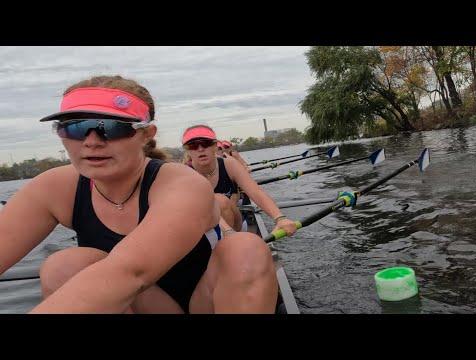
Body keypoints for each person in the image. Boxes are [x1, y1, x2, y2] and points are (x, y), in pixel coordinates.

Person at [0, 75, 278, 314]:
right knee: (63, 265)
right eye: (74, 126)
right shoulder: (52, 187)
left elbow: (130, 273)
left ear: (146, 135)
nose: (91, 141)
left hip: (205, 301)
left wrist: (280, 217)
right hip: (143, 304)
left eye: (111, 127)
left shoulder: (182, 183)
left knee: (246, 249)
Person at [182, 125, 298, 236]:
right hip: (207, 227)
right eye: (193, 145)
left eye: (205, 143)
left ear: (214, 146)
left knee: (221, 201)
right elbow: (206, 211)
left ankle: (233, 240)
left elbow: (255, 192)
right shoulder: (185, 174)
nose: (200, 149)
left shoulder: (229, 163)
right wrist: (228, 232)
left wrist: (279, 217)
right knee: (218, 201)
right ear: (187, 150)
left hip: (234, 222)